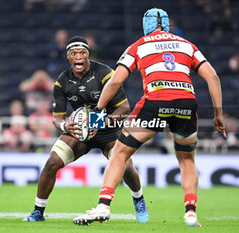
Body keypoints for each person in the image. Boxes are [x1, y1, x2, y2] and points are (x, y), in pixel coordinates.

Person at [73, 8, 226, 227]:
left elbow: (116, 81)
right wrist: (218, 113)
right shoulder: (187, 45)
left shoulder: (139, 45)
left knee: (120, 152)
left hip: (156, 102)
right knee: (187, 160)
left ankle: (103, 205)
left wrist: (98, 108)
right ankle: (191, 212)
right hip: (186, 104)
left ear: (146, 25)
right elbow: (212, 75)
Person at [23, 36, 149, 222]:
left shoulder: (105, 74)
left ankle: (138, 199)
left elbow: (124, 109)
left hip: (108, 131)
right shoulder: (62, 81)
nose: (78, 57)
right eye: (74, 53)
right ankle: (38, 212)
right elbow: (57, 119)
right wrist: (65, 125)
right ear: (68, 57)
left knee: (127, 166)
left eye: (82, 53)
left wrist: (97, 122)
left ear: (88, 55)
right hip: (80, 132)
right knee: (51, 163)